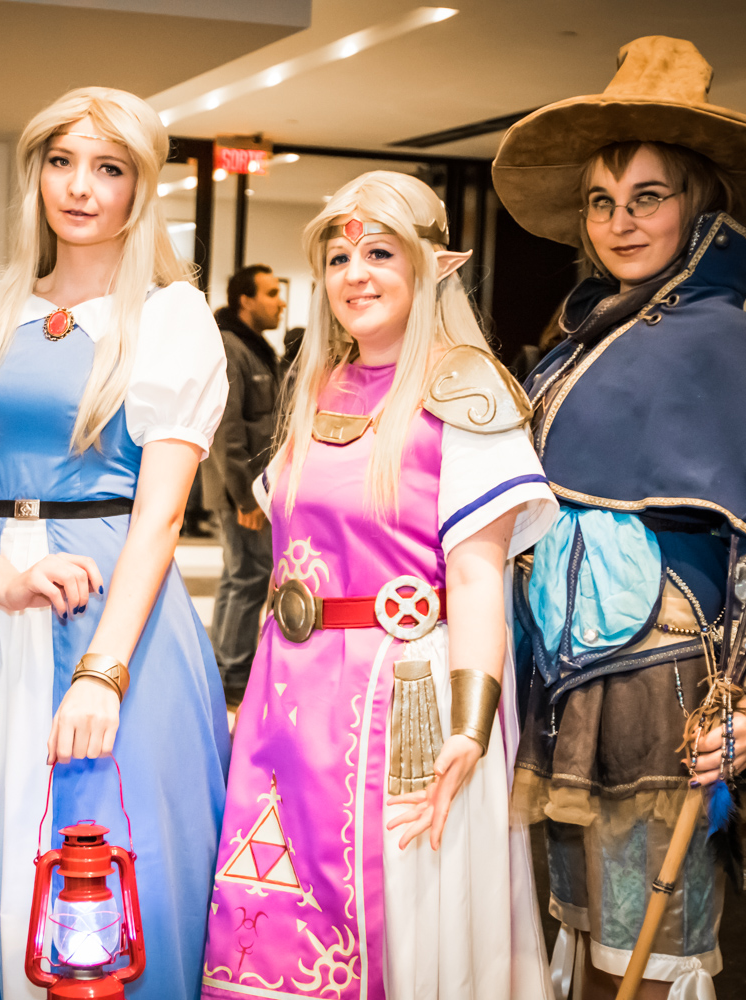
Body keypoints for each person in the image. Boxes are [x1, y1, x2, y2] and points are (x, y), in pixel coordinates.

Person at [492, 36, 746, 999]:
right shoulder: (579, 335)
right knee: (579, 936)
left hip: (664, 685)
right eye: (603, 201)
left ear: (700, 207)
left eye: (648, 196)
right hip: (560, 682)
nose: (621, 222)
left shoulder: (727, 343)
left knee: (646, 951)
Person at [0, 87, 230, 1000]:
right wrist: (3, 580)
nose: (80, 187)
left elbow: (162, 517)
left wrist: (103, 672)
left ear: (140, 186)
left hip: (116, 613)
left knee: (112, 840)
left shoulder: (169, 317)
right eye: (61, 162)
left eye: (108, 168)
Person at [201, 171, 557, 999]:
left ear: (432, 266)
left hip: (407, 704)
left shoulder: (465, 393)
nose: (354, 274)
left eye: (380, 254)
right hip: (291, 695)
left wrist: (469, 729)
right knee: (275, 905)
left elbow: (477, 579)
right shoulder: (319, 385)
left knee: (403, 913)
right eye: (338, 258)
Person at [203, 264, 283, 707]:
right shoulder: (230, 348)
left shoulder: (255, 348)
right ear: (245, 300)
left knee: (244, 575)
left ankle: (227, 667)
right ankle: (230, 674)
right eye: (270, 293)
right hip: (243, 492)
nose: (280, 301)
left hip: (256, 490)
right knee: (246, 575)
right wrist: (244, 497)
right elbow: (226, 431)